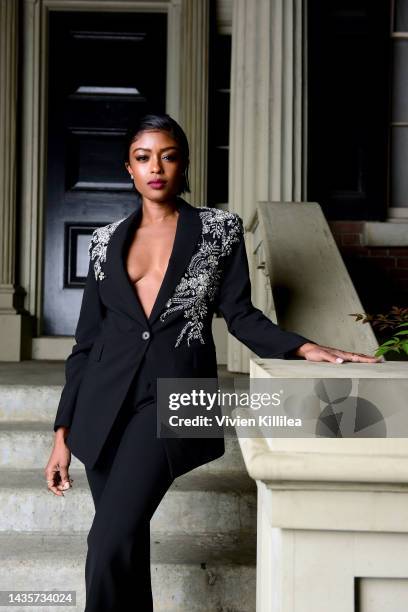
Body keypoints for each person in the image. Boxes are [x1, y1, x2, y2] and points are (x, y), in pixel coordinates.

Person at [45, 113, 381, 611]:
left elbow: (240, 315)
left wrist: (303, 346)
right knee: (127, 544)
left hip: (177, 399)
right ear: (128, 169)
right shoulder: (103, 241)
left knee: (107, 542)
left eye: (168, 155)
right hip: (101, 404)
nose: (155, 167)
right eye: (143, 157)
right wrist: (62, 435)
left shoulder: (217, 230)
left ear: (183, 164)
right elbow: (85, 345)